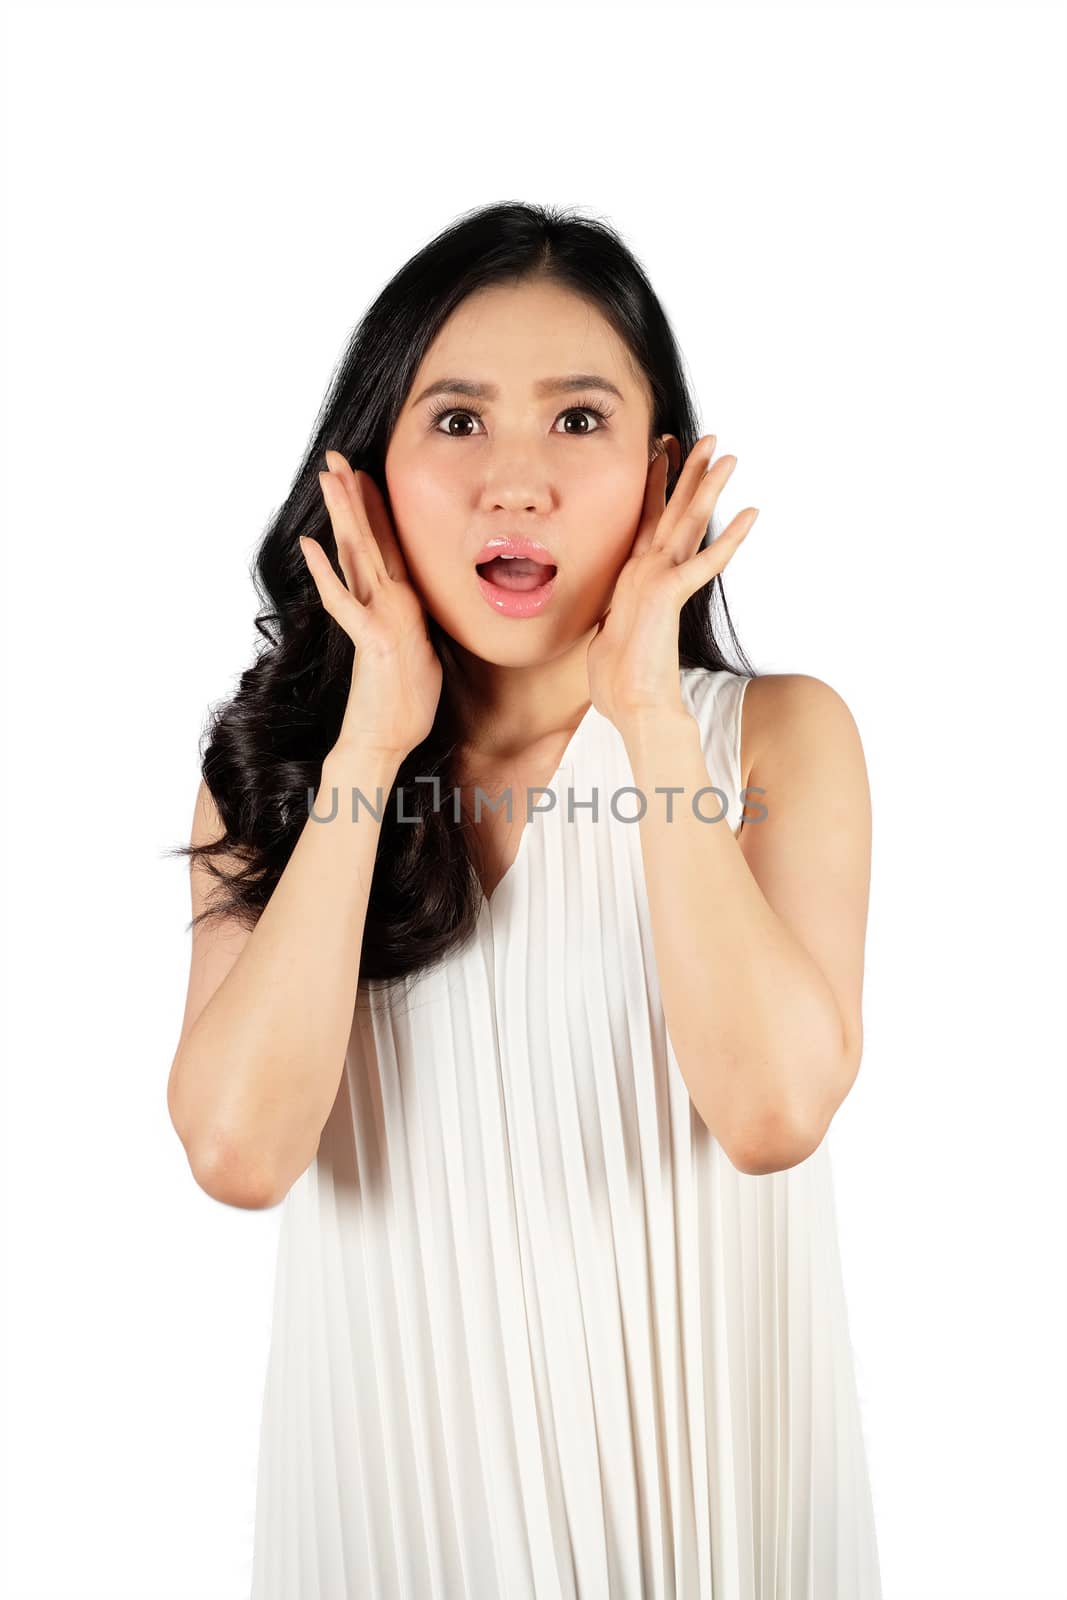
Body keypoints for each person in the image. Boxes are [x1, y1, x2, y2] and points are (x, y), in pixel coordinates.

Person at [166, 201, 881, 1598]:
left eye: (576, 421)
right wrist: (368, 747)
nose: (516, 483)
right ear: (363, 473)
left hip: (708, 1525)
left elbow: (774, 1111)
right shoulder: (278, 782)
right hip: (390, 1522)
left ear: (663, 471)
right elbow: (240, 1152)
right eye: (455, 422)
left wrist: (647, 710)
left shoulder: (779, 743)